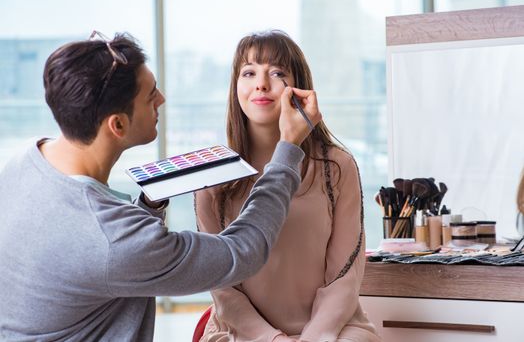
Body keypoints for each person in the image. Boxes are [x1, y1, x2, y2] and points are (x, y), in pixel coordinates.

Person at [0, 31, 321, 341]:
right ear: (118, 124)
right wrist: (288, 151)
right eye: (151, 94)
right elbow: (243, 252)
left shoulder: (22, 162)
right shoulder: (114, 240)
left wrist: (149, 207)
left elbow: (104, 253)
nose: (162, 99)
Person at [195, 30, 380, 341]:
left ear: (299, 88)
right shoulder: (213, 176)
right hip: (241, 333)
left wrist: (312, 338)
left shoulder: (338, 167)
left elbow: (345, 277)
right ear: (235, 87)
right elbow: (222, 287)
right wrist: (274, 340)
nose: (261, 84)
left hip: (333, 330)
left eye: (277, 72)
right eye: (249, 72)